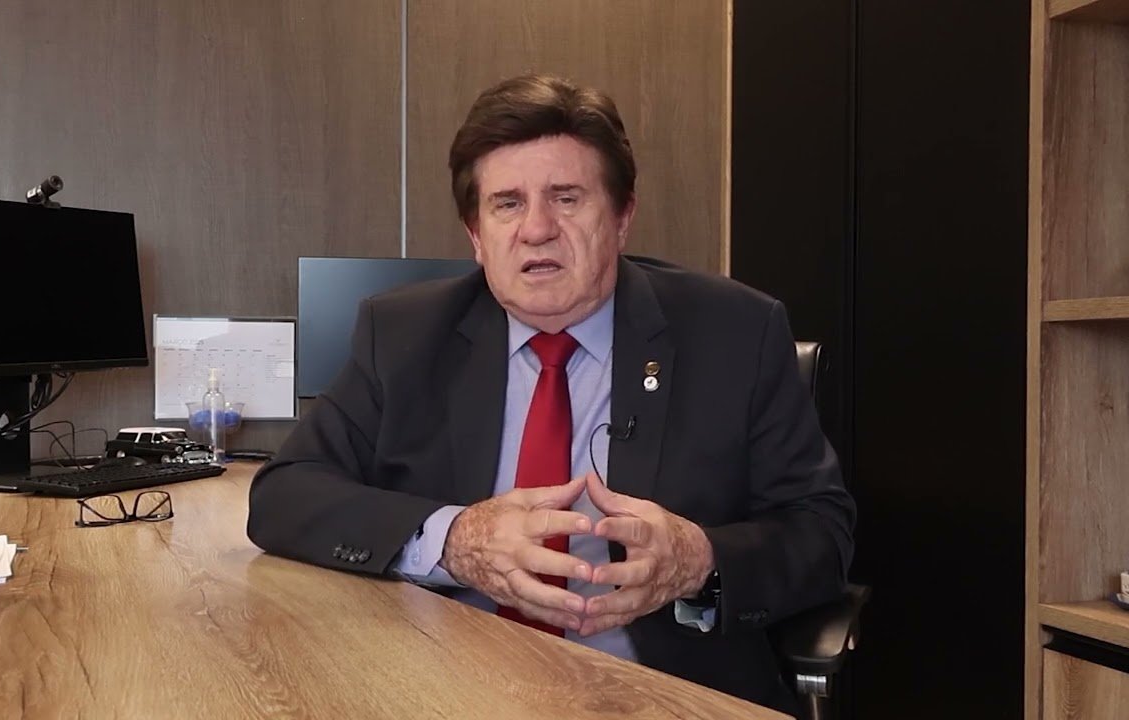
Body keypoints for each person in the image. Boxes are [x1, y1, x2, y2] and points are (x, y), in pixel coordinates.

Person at [248, 73, 855, 712]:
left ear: (622, 217)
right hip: (445, 686)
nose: (536, 229)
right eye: (507, 204)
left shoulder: (736, 332)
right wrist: (455, 541)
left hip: (656, 692)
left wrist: (699, 560)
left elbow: (822, 530)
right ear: (476, 235)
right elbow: (284, 495)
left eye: (567, 198)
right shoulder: (403, 334)